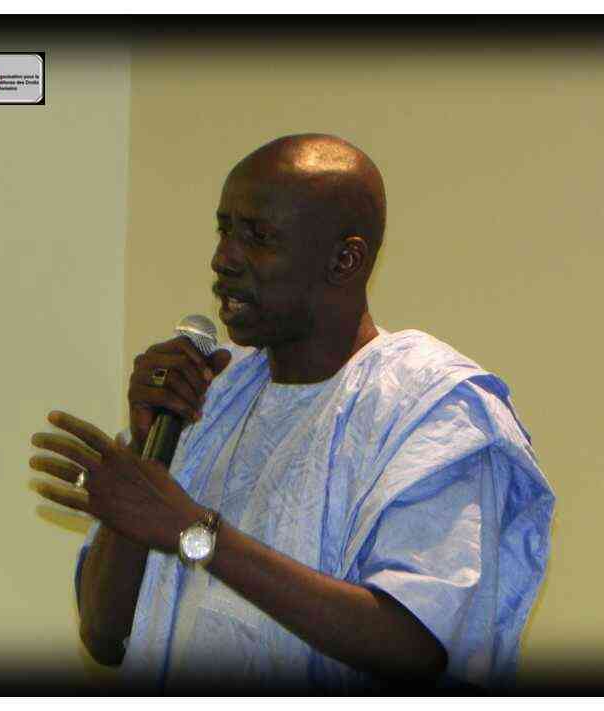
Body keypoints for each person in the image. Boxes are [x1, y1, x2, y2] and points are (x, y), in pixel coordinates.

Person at [30, 134, 555, 692]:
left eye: (258, 237)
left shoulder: (434, 410)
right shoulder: (211, 394)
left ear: (344, 260)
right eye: (224, 230)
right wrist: (149, 451)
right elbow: (105, 636)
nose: (223, 259)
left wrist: (195, 531)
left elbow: (418, 650)